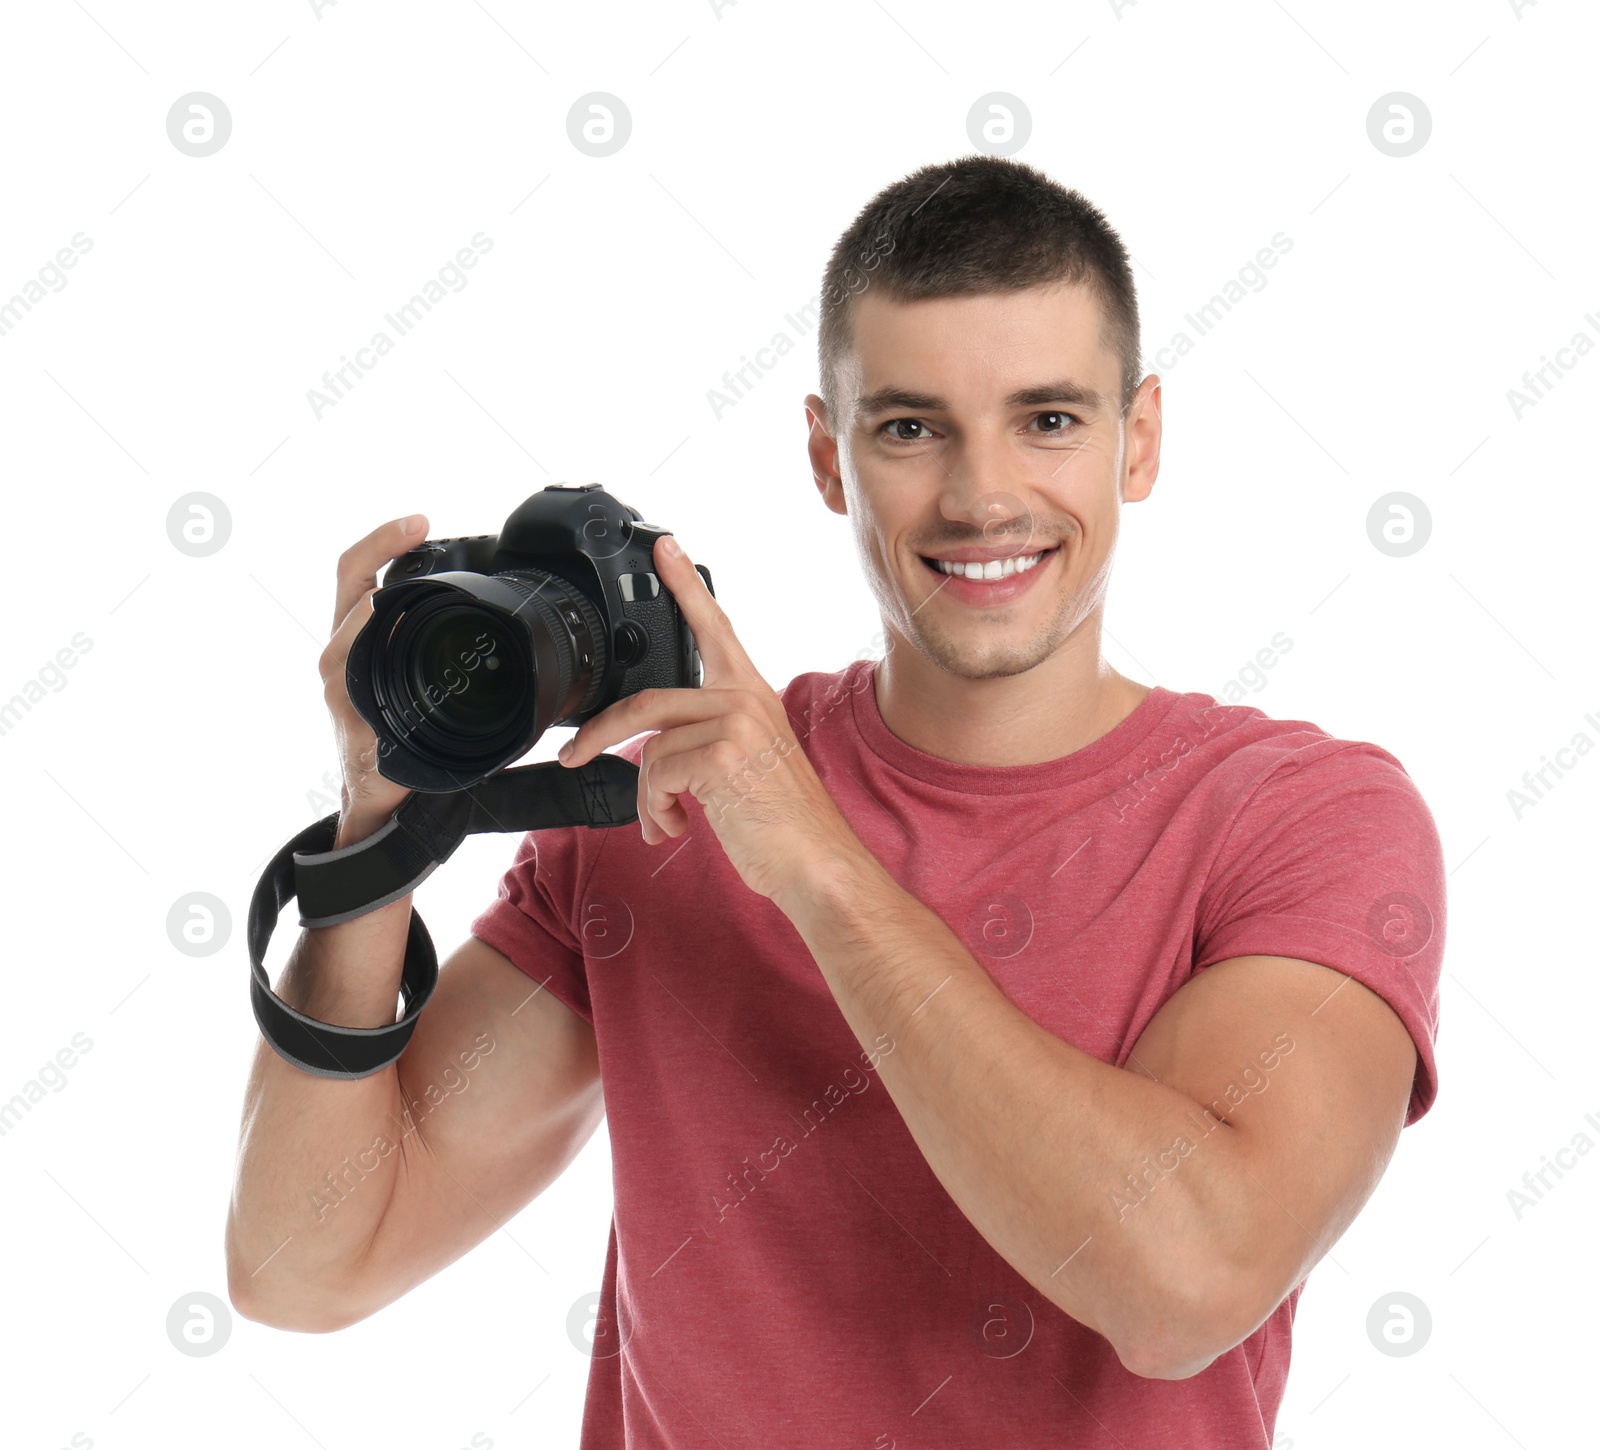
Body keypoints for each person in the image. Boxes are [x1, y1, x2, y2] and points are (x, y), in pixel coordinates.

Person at [226, 155, 1444, 1449]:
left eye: (1048, 419)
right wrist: (378, 837)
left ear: (1140, 439)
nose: (982, 495)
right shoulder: (658, 814)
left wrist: (816, 858)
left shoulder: (1305, 815)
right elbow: (304, 1261)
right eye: (911, 427)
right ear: (827, 454)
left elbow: (1181, 1280)